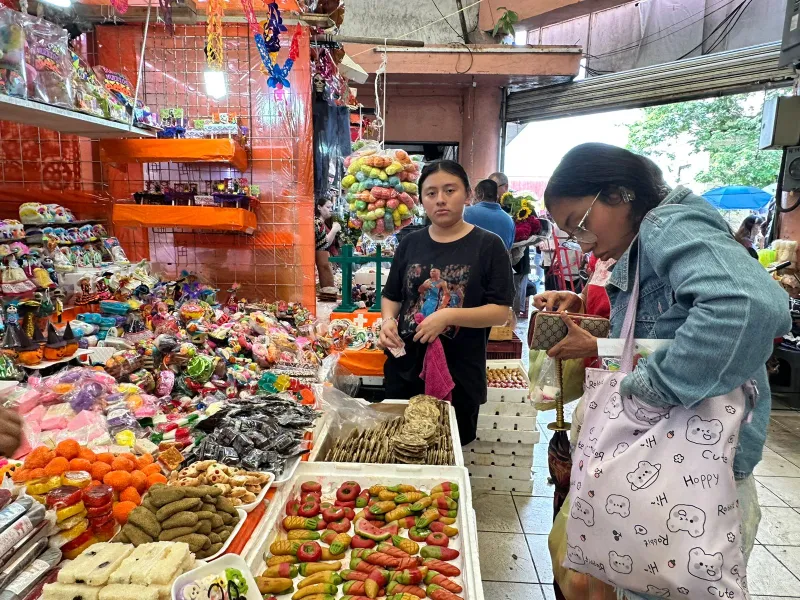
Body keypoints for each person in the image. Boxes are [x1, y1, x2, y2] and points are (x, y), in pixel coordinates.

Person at [533, 143, 790, 600]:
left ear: (619, 194)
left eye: (580, 223)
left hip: (694, 464)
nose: (583, 242)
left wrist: (648, 388)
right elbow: (666, 333)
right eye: (572, 235)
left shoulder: (667, 223)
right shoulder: (642, 241)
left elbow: (748, 306)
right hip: (675, 462)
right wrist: (597, 331)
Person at [380, 160, 514, 443]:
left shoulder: (489, 246)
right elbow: (392, 296)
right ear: (421, 200)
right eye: (431, 193)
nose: (440, 199)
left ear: (468, 195)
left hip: (459, 371)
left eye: (450, 190)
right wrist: (388, 320)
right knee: (401, 446)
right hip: (405, 368)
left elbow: (499, 312)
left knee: (449, 447)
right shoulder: (410, 243)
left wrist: (448, 316)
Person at [463, 179, 515, 249]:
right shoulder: (509, 220)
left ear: (479, 195)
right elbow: (508, 248)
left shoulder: (465, 213)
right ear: (497, 196)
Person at [314, 197, 340, 290]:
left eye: (331, 207)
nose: (331, 210)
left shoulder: (323, 223)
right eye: (328, 207)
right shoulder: (317, 223)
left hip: (326, 264)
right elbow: (323, 245)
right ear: (319, 207)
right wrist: (334, 230)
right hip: (322, 265)